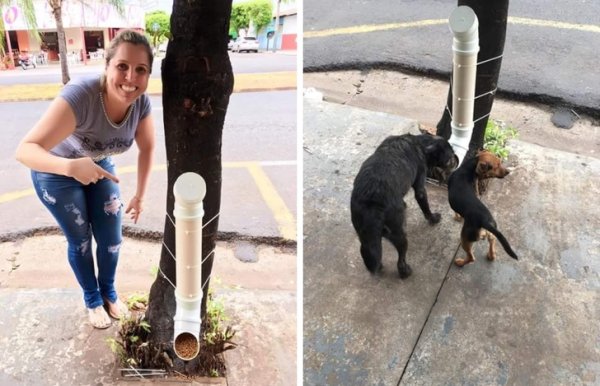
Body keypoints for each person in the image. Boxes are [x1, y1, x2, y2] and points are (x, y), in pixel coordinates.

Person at [15, 30, 155, 329]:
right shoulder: (81, 94)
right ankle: (92, 299)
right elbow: (25, 150)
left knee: (112, 239)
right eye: (122, 66)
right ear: (107, 65)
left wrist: (139, 196)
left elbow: (148, 148)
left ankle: (109, 293)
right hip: (55, 172)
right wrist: (68, 168)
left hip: (98, 165)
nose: (130, 78)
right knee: (80, 240)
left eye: (141, 70)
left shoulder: (141, 104)